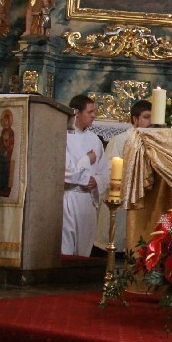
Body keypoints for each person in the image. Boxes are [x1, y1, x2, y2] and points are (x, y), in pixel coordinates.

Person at [93, 100, 152, 254]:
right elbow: (109, 169)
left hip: (144, 198)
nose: (150, 122)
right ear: (135, 119)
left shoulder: (155, 142)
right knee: (116, 243)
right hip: (122, 197)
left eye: (153, 118)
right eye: (146, 117)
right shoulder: (119, 140)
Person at [63, 95, 105, 256]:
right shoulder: (64, 136)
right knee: (66, 248)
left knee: (84, 251)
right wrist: (87, 160)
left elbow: (104, 170)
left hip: (88, 200)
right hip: (69, 197)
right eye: (90, 112)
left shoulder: (95, 140)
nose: (94, 115)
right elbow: (65, 172)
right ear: (77, 113)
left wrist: (96, 181)